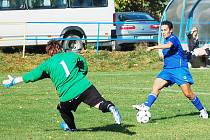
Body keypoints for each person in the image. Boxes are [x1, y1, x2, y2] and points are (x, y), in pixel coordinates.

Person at [2, 40, 122, 131]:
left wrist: (13, 81)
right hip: (85, 86)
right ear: (60, 48)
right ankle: (111, 107)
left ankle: (71, 127)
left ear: (49, 52)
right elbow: (83, 64)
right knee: (99, 103)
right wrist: (81, 74)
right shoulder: (71, 55)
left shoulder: (47, 64)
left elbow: (31, 76)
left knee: (62, 109)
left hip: (68, 95)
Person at [132, 20, 208, 120]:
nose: (163, 32)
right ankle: (145, 107)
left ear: (170, 30)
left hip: (179, 69)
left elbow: (169, 46)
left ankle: (202, 110)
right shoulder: (165, 41)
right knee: (156, 86)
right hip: (167, 70)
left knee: (188, 94)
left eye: (165, 30)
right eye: (162, 30)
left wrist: (154, 47)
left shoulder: (173, 38)